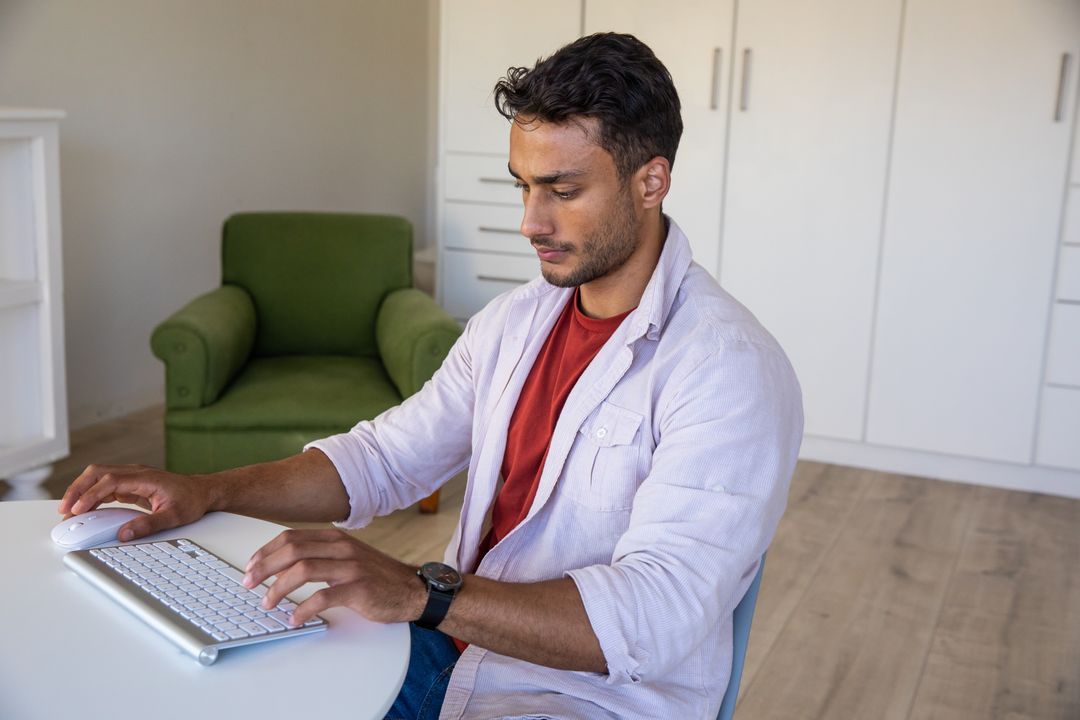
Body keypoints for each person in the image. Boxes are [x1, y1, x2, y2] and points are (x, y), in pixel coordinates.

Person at [60, 33, 803, 720]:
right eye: (522, 187)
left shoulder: (728, 370)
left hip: (575, 698)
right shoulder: (516, 321)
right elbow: (384, 459)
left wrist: (423, 593)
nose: (530, 222)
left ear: (651, 181)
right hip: (447, 645)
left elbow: (651, 618)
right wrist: (209, 490)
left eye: (563, 190)